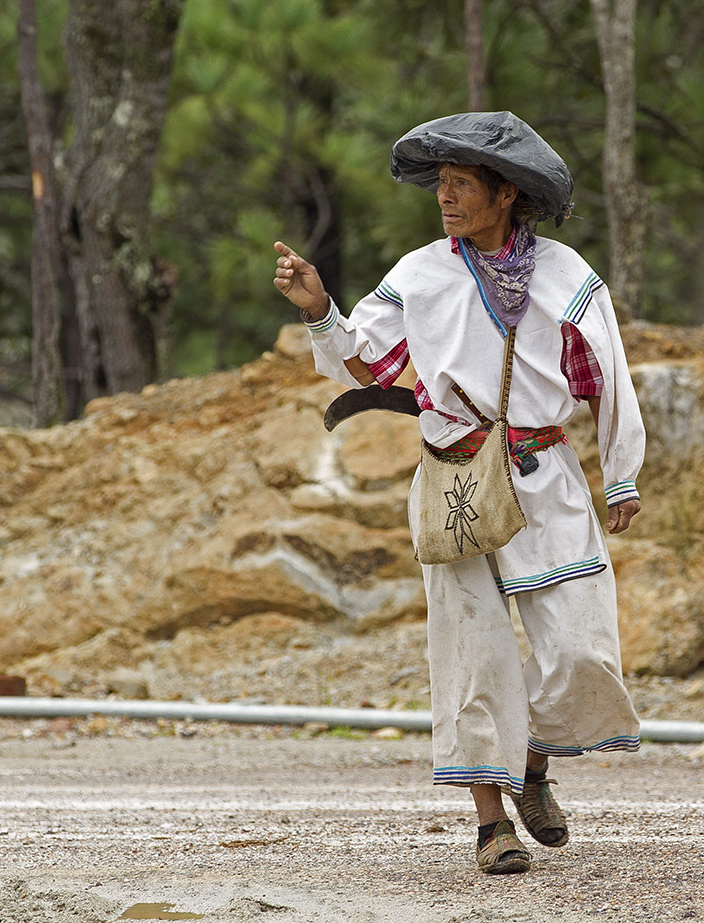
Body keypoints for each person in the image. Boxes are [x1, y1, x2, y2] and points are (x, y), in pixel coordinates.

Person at [271, 111, 645, 875]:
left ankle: (534, 767)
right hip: (454, 480)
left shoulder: (569, 277)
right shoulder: (418, 274)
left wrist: (622, 469)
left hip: (546, 477)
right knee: (470, 649)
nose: (444, 197)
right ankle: (489, 824)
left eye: (462, 185)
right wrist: (318, 309)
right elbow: (365, 363)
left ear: (507, 194)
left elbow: (608, 379)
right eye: (440, 184)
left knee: (578, 650)